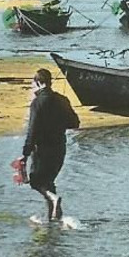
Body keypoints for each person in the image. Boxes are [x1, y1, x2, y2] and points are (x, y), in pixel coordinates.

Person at [22, 67, 80, 225]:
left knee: (36, 182)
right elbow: (75, 123)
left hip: (42, 149)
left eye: (33, 84)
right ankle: (53, 219)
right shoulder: (62, 99)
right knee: (49, 182)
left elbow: (32, 129)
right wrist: (57, 122)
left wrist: (25, 153)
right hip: (60, 148)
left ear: (39, 83)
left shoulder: (37, 102)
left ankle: (54, 200)